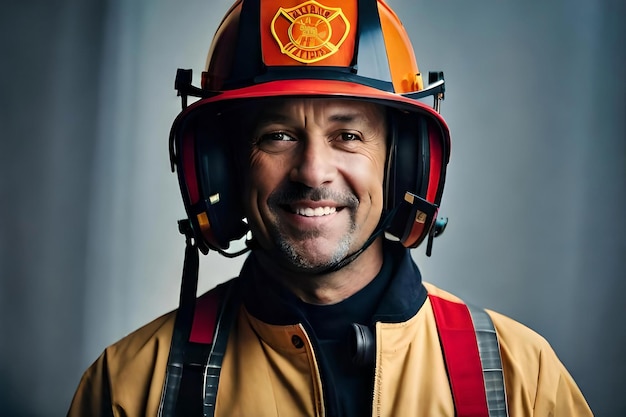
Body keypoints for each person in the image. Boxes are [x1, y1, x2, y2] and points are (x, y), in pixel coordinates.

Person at [68, 0, 593, 416]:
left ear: (403, 165)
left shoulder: (522, 379)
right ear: (222, 168)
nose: (312, 171)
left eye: (347, 135)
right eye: (277, 135)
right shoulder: (132, 389)